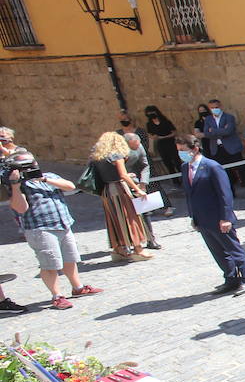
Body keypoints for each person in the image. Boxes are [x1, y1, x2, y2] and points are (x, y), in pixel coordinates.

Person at [4, 150, 103, 309]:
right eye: (26, 165)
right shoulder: (18, 185)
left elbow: (70, 186)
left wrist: (44, 179)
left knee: (69, 259)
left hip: (63, 223)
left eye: (32, 163)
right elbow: (20, 208)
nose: (31, 167)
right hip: (40, 228)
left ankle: (78, 287)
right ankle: (57, 295)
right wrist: (15, 185)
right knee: (50, 264)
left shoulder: (48, 176)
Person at [178, 134, 245, 296]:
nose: (180, 154)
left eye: (183, 150)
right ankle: (231, 278)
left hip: (219, 217)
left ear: (195, 149)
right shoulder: (185, 168)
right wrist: (193, 217)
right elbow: (189, 194)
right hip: (202, 219)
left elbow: (225, 194)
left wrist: (225, 218)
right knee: (217, 251)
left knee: (233, 249)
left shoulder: (212, 166)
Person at [90, 131, 152, 262]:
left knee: (114, 220)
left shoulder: (99, 157)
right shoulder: (116, 155)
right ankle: (138, 250)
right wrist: (138, 190)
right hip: (119, 189)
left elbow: (109, 174)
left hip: (106, 191)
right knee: (130, 218)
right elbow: (122, 175)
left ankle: (119, 250)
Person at [202, 99, 245, 200]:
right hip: (218, 149)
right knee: (224, 172)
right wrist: (220, 131)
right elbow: (207, 133)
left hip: (232, 148)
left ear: (220, 106)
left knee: (241, 170)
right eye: (212, 108)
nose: (214, 109)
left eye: (216, 107)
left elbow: (229, 131)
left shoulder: (229, 117)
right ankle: (231, 192)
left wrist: (213, 131)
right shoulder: (208, 119)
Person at [122, 133, 162, 250]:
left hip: (138, 183)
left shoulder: (139, 146)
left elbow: (145, 165)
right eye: (133, 146)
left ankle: (151, 239)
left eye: (137, 145)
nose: (136, 148)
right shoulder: (118, 150)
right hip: (123, 183)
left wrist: (143, 183)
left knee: (145, 211)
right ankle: (129, 242)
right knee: (126, 214)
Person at [143, 106, 179, 178]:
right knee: (167, 162)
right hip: (160, 144)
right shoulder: (149, 124)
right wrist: (151, 147)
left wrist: (164, 137)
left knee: (176, 160)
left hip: (170, 142)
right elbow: (150, 136)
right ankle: (175, 179)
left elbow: (174, 132)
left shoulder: (165, 121)